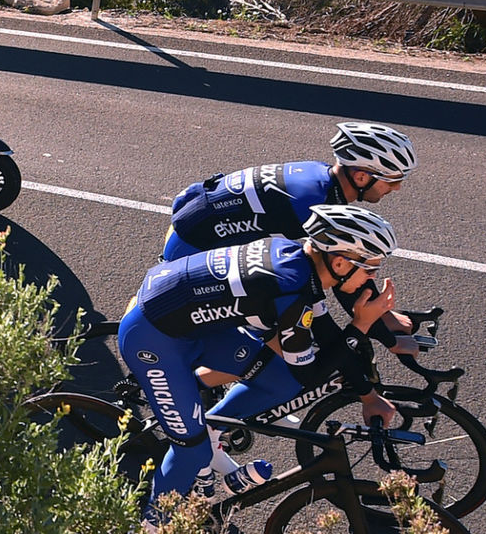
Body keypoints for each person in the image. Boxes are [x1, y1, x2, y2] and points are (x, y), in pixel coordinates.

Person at [118, 205, 401, 529]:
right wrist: (361, 325)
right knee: (191, 453)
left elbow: (323, 340)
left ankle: (210, 428)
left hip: (188, 323)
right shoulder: (291, 289)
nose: (372, 278)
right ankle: (152, 525)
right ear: (339, 263)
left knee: (281, 381)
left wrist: (368, 393)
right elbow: (310, 373)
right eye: (370, 269)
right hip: (154, 341)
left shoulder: (297, 260)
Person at [163, 121, 418, 348]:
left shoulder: (321, 177)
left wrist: (382, 314)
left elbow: (347, 262)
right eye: (392, 180)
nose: (397, 187)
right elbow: (343, 274)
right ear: (361, 177)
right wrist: (387, 335)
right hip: (193, 246)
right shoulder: (312, 202)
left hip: (195, 222)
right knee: (271, 344)